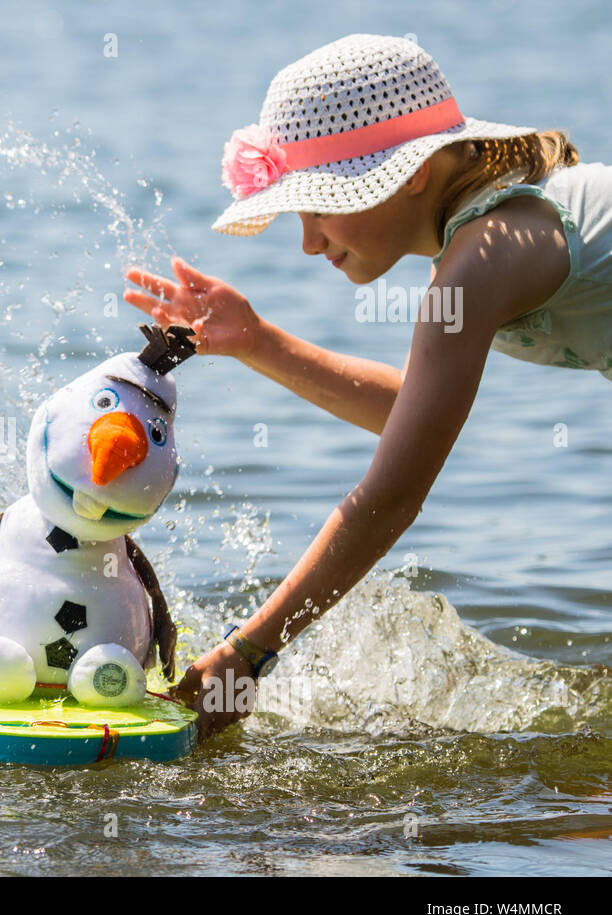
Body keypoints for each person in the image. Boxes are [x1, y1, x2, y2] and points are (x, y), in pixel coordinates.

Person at [123, 33, 612, 740]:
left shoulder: (479, 262)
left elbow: (391, 497)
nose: (308, 242)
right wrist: (258, 341)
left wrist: (247, 653)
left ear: (411, 174)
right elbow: (410, 415)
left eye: (321, 206)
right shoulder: (475, 242)